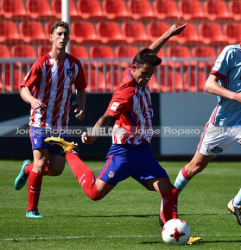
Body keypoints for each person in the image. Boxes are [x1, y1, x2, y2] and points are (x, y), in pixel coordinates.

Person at [44, 24, 201, 244]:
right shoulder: (126, 92)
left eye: (150, 74)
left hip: (143, 154)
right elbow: (106, 117)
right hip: (123, 154)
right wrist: (93, 134)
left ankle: (175, 232)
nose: (147, 78)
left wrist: (168, 34)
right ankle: (69, 152)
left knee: (169, 192)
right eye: (144, 74)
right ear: (134, 69)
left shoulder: (138, 70)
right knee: (93, 193)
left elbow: (150, 52)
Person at [173, 13, 241, 229]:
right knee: (195, 167)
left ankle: (236, 204)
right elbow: (209, 85)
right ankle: (169, 202)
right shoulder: (231, 52)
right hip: (223, 122)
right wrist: (235, 96)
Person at [14, 21, 87, 218]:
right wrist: (33, 100)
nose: (63, 38)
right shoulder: (41, 64)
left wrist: (81, 106)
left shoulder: (75, 65)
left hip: (61, 125)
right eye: (60, 34)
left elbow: (81, 88)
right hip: (39, 121)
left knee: (56, 169)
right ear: (51, 37)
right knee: (41, 161)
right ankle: (32, 210)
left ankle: (27, 169)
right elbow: (24, 88)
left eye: (66, 34)